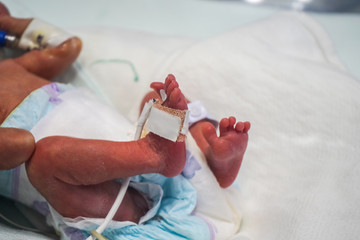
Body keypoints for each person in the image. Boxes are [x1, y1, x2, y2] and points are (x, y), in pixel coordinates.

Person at [0, 3, 250, 239]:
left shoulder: (12, 67)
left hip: (126, 152)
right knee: (46, 159)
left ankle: (208, 159)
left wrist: (11, 24)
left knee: (154, 100)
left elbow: (67, 46)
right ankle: (152, 154)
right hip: (103, 203)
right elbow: (20, 145)